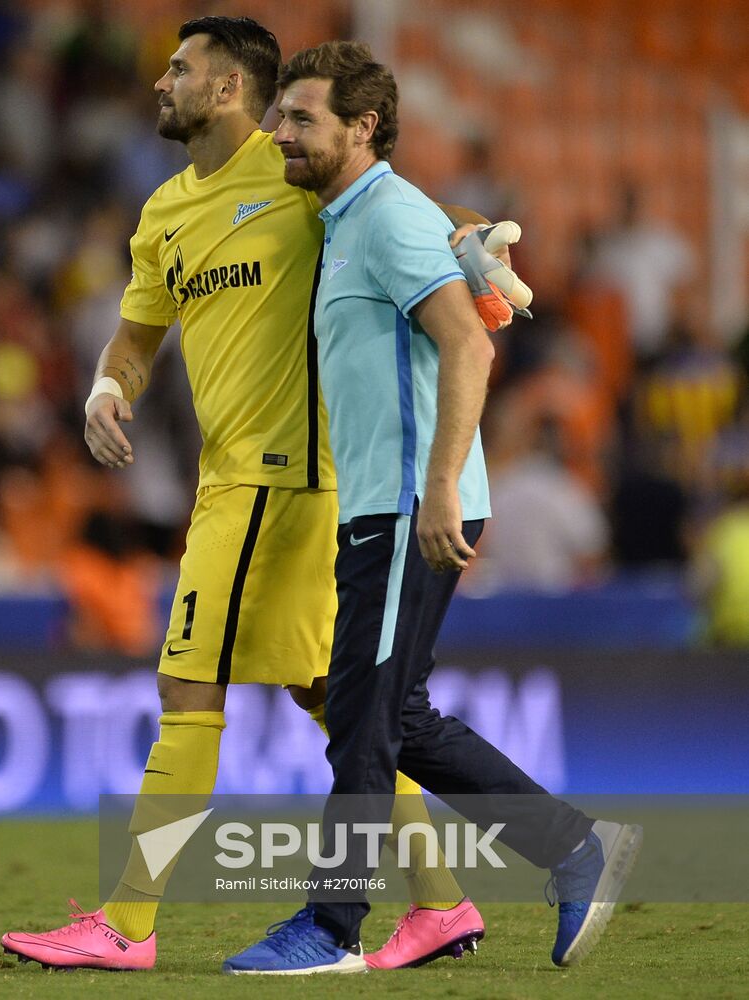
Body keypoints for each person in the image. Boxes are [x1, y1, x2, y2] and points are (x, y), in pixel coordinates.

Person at [1, 17, 489, 973]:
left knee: (190, 685)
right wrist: (109, 388)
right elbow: (137, 335)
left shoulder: (298, 171)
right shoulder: (161, 215)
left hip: (288, 482)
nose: (161, 82)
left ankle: (127, 924)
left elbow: (414, 218)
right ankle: (440, 905)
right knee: (338, 703)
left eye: (180, 69)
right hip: (232, 481)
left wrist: (477, 249)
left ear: (228, 88)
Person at [222, 41, 642, 977]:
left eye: (302, 118)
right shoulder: (351, 214)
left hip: (413, 501)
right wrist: (470, 227)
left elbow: (470, 347)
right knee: (390, 713)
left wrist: (443, 484)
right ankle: (574, 848)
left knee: (364, 718)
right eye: (280, 114)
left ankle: (331, 927)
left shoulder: (385, 218)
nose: (279, 131)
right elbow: (443, 230)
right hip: (387, 502)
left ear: (362, 128)